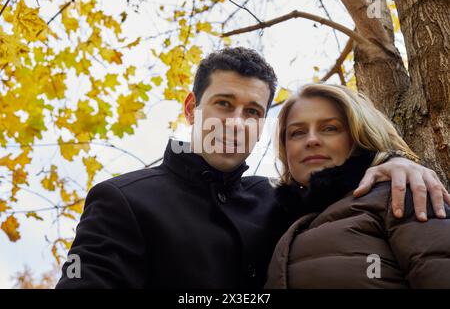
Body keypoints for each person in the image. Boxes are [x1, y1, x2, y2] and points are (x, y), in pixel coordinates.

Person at [55, 48, 449, 288]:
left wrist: (399, 163)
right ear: (193, 109)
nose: (236, 122)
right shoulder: (124, 199)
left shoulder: (279, 201)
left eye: (252, 111)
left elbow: (342, 199)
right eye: (223, 104)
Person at [265, 84, 450, 288]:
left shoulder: (402, 190)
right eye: (297, 133)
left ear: (357, 136)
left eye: (329, 128)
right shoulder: (277, 224)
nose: (311, 140)